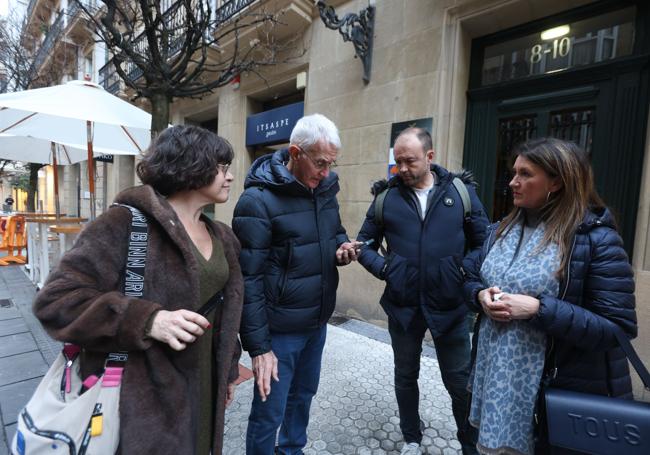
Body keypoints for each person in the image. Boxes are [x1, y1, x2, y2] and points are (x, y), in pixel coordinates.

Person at [33, 125, 244, 454]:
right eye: (222, 167)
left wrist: (228, 369)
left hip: (205, 392)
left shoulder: (222, 236)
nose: (230, 176)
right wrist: (147, 320)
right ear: (192, 165)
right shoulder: (124, 223)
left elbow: (223, 312)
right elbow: (56, 301)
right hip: (144, 404)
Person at [462, 137, 637, 455]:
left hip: (553, 396)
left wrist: (539, 309)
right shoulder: (500, 229)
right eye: (514, 172)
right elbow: (469, 275)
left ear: (557, 181)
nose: (513, 182)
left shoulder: (595, 240)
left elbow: (618, 328)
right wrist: (478, 296)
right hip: (498, 387)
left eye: (525, 174)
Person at [233, 113, 360, 455]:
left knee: (303, 398)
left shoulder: (325, 191)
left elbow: (333, 233)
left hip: (316, 324)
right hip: (279, 333)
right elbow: (248, 280)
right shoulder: (257, 202)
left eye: (332, 163)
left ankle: (291, 450)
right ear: (294, 152)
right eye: (320, 163)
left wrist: (342, 249)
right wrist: (259, 348)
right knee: (268, 412)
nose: (327, 172)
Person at [356, 127, 488, 455]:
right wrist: (386, 269)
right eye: (397, 161)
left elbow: (484, 243)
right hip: (403, 307)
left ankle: (469, 445)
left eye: (410, 161)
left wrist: (462, 271)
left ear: (429, 157)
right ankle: (412, 438)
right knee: (405, 376)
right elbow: (363, 244)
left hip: (451, 306)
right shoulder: (386, 198)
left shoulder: (460, 193)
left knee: (460, 384)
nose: (402, 169)